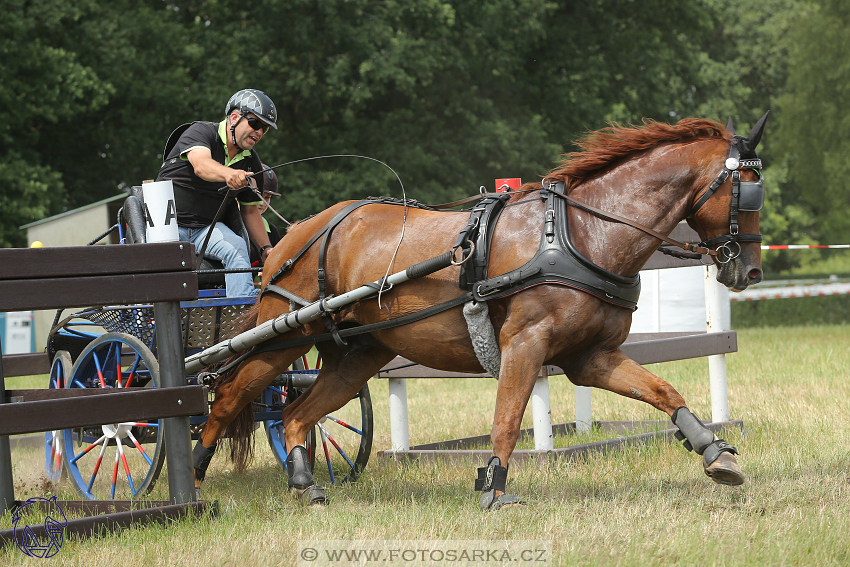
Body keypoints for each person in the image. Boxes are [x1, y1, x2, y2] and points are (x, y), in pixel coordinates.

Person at [156, 89, 278, 296]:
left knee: (238, 247)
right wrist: (229, 174)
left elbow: (250, 212)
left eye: (264, 129)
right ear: (234, 118)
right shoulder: (200, 132)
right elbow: (201, 165)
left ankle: (241, 320)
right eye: (255, 123)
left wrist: (266, 249)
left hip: (206, 229)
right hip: (167, 227)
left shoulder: (251, 161)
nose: (258, 132)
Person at [250, 165, 282, 266]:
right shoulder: (225, 224)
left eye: (267, 197)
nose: (262, 203)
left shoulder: (272, 231)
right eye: (258, 195)